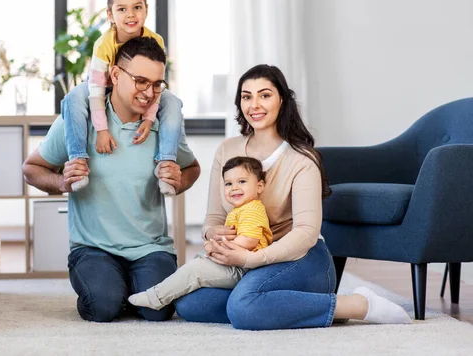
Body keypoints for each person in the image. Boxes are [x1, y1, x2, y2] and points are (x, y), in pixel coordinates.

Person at [173, 64, 412, 330]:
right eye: (246, 96)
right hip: (246, 261)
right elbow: (214, 216)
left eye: (265, 95)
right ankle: (279, 303)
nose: (255, 104)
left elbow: (306, 234)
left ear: (282, 100)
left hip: (301, 259)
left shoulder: (302, 159)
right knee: (189, 303)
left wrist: (251, 260)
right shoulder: (227, 150)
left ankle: (355, 304)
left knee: (243, 309)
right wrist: (212, 236)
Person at [23, 37, 200, 323]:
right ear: (115, 75)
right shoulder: (79, 121)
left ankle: (128, 289)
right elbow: (31, 168)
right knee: (103, 307)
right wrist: (61, 183)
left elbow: (192, 167)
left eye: (157, 84)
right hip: (94, 249)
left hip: (150, 247)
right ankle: (115, 290)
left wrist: (179, 180)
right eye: (141, 81)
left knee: (159, 311)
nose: (149, 93)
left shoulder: (163, 125)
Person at [61, 0, 183, 196]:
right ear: (110, 14)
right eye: (122, 9)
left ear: (146, 9)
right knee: (73, 99)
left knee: (173, 102)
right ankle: (78, 162)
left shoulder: (156, 41)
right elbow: (96, 92)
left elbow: (155, 84)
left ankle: (166, 164)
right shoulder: (103, 45)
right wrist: (102, 130)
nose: (131, 15)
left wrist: (149, 118)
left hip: (141, 88)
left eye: (137, 7)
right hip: (104, 85)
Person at [128, 156, 273, 310]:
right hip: (234, 263)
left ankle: (156, 298)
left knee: (195, 271)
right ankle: (164, 293)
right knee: (195, 268)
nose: (234, 188)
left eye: (242, 182)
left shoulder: (253, 209)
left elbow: (249, 240)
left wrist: (217, 246)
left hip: (243, 268)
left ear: (259, 186)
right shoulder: (241, 209)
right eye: (228, 183)